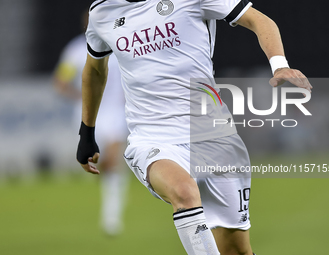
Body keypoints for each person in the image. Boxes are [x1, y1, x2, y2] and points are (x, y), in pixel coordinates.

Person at [77, 0, 312, 254]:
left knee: (236, 249)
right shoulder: (102, 11)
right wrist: (86, 132)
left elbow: (258, 19)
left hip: (214, 137)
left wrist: (280, 65)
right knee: (183, 192)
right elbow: (95, 70)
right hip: (153, 138)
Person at [54, 12, 130, 236]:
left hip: (117, 112)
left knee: (114, 160)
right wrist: (81, 96)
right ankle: (110, 193)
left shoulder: (122, 43)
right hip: (90, 115)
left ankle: (111, 218)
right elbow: (60, 82)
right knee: (103, 163)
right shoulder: (76, 50)